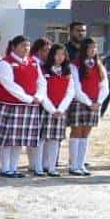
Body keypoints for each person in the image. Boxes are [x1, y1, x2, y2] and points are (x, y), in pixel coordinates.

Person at [0, 35, 43, 179]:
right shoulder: (5, 63)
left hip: (29, 106)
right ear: (14, 47)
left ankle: (13, 167)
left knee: (19, 139)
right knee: (7, 140)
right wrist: (29, 99)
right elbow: (9, 85)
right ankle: (5, 168)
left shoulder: (33, 62)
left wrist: (39, 96)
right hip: (9, 106)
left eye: (28, 45)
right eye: (23, 45)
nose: (26, 48)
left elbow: (41, 82)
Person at [67, 37, 110, 176]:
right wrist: (89, 102)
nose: (94, 50)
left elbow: (104, 86)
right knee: (77, 132)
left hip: (95, 103)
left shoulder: (99, 65)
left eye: (95, 48)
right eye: (91, 47)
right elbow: (76, 88)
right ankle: (73, 165)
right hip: (80, 102)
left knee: (86, 134)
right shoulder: (75, 65)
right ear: (84, 49)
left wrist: (99, 101)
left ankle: (81, 164)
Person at [35, 45, 77, 178]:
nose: (60, 57)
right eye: (57, 54)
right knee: (42, 139)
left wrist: (61, 109)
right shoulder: (44, 70)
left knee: (55, 140)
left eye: (63, 54)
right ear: (52, 55)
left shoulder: (67, 72)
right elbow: (42, 91)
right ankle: (38, 167)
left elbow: (70, 92)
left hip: (61, 110)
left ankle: (52, 167)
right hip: (46, 109)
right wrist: (52, 109)